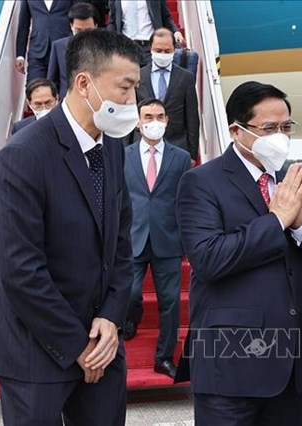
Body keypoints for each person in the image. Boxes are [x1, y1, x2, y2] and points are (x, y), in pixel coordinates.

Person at [0, 28, 140, 425]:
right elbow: (20, 269)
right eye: (125, 88)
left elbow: (121, 245)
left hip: (103, 343)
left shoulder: (112, 148)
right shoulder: (24, 155)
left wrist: (110, 317)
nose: (132, 102)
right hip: (36, 350)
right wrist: (77, 346)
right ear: (84, 83)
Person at [175, 81, 302, 425]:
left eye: (286, 127)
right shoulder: (202, 182)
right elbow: (209, 259)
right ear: (237, 131)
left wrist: (300, 225)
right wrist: (277, 220)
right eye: (269, 128)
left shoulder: (291, 179)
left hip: (292, 364)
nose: (280, 136)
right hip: (231, 367)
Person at [123, 98, 192, 379]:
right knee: (129, 292)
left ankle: (163, 357)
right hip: (132, 238)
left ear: (166, 120)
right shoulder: (123, 155)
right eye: (148, 116)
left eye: (159, 116)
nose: (154, 121)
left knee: (170, 302)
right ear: (138, 123)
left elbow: (187, 201)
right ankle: (131, 316)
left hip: (168, 240)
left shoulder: (181, 157)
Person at [135, 28, 199, 162]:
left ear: (174, 50)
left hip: (176, 145)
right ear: (150, 48)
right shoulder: (138, 76)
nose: (162, 54)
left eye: (167, 51)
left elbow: (192, 117)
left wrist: (192, 154)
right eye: (158, 51)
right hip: (143, 145)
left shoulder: (186, 77)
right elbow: (131, 114)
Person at [107, 0, 184, 67]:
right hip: (126, 47)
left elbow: (166, 17)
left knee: (150, 80)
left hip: (150, 46)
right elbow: (113, 21)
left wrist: (176, 32)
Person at [47, 2, 98, 99]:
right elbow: (52, 82)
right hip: (67, 101)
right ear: (71, 25)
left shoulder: (106, 47)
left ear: (96, 25)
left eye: (88, 31)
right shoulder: (58, 46)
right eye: (78, 30)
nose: (83, 35)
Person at [15, 0, 73, 82]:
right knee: (34, 87)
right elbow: (23, 24)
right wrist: (20, 55)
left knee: (62, 88)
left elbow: (78, 14)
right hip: (37, 49)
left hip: (64, 49)